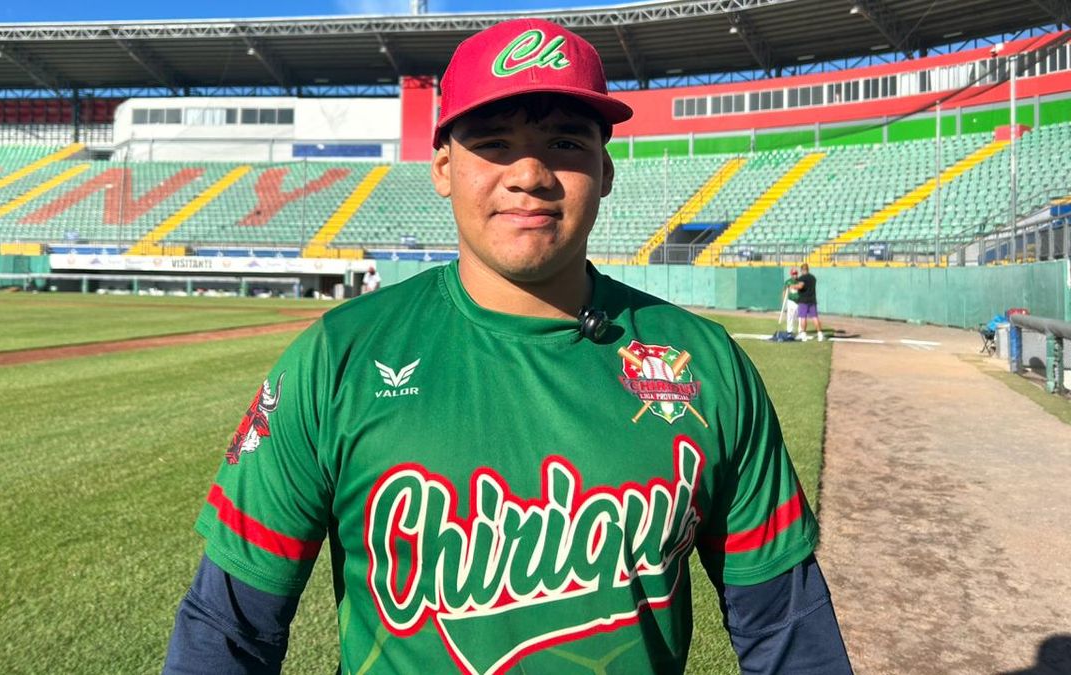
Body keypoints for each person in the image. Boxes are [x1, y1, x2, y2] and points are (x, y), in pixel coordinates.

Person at [164, 18, 850, 675]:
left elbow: (785, 628)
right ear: (441, 166)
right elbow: (229, 626)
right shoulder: (336, 357)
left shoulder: (705, 363)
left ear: (605, 172)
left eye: (566, 144)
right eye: (493, 142)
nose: (529, 173)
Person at [793, 263, 823, 341]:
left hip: (803, 300)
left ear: (802, 270)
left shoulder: (802, 278)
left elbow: (800, 286)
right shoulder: (813, 278)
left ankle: (803, 334)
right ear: (808, 269)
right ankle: (820, 334)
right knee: (815, 317)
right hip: (812, 300)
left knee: (803, 317)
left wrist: (793, 286)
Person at [781, 268, 800, 337]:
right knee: (790, 316)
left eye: (796, 274)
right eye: (793, 274)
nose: (795, 275)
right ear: (791, 274)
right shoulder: (788, 282)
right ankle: (789, 330)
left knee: (800, 317)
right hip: (791, 301)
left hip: (799, 302)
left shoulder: (800, 281)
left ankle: (800, 330)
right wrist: (783, 300)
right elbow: (784, 290)